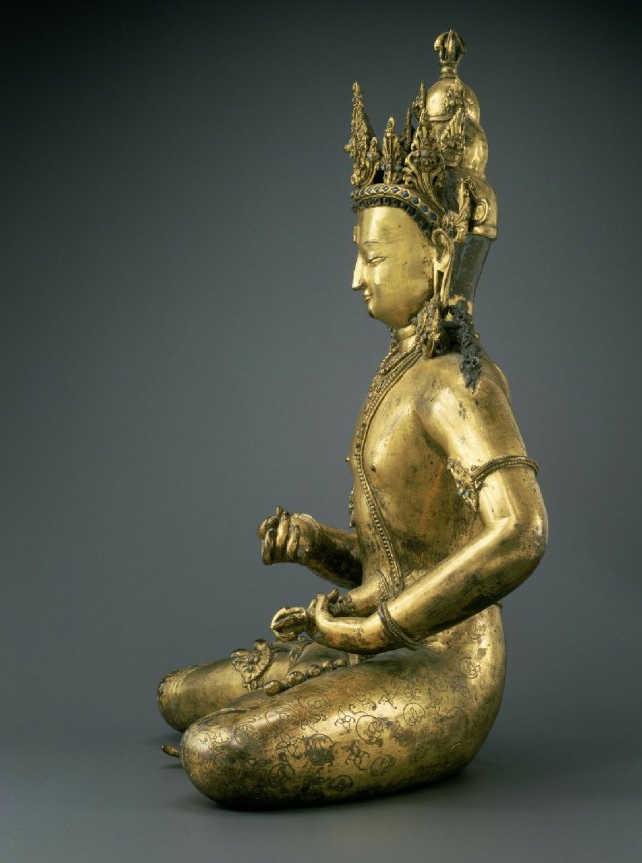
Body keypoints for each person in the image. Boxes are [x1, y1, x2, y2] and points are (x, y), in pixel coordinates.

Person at [157, 30, 547, 808]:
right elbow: (395, 560)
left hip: (446, 668)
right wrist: (314, 544)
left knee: (216, 749)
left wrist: (378, 631)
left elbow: (522, 531)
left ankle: (316, 702)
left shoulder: (458, 384)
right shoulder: (402, 371)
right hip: (380, 632)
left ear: (438, 257)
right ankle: (314, 689)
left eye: (372, 257)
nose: (355, 277)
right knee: (179, 695)